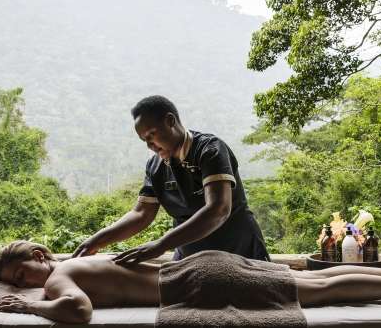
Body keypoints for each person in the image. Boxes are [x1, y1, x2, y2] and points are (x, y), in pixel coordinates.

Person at [0, 241, 381, 324]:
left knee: (319, 292)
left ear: (36, 258)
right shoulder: (76, 261)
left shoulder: (60, 278)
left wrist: (29, 307)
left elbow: (79, 312)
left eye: (21, 276)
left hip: (199, 282)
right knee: (307, 279)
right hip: (205, 265)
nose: (26, 285)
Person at [73, 95, 270, 264]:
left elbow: (218, 209)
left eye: (152, 134)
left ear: (170, 121)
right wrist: (96, 241)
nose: (150, 145)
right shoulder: (155, 167)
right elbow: (141, 214)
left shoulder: (209, 150)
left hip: (240, 252)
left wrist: (161, 245)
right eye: (144, 140)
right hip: (190, 259)